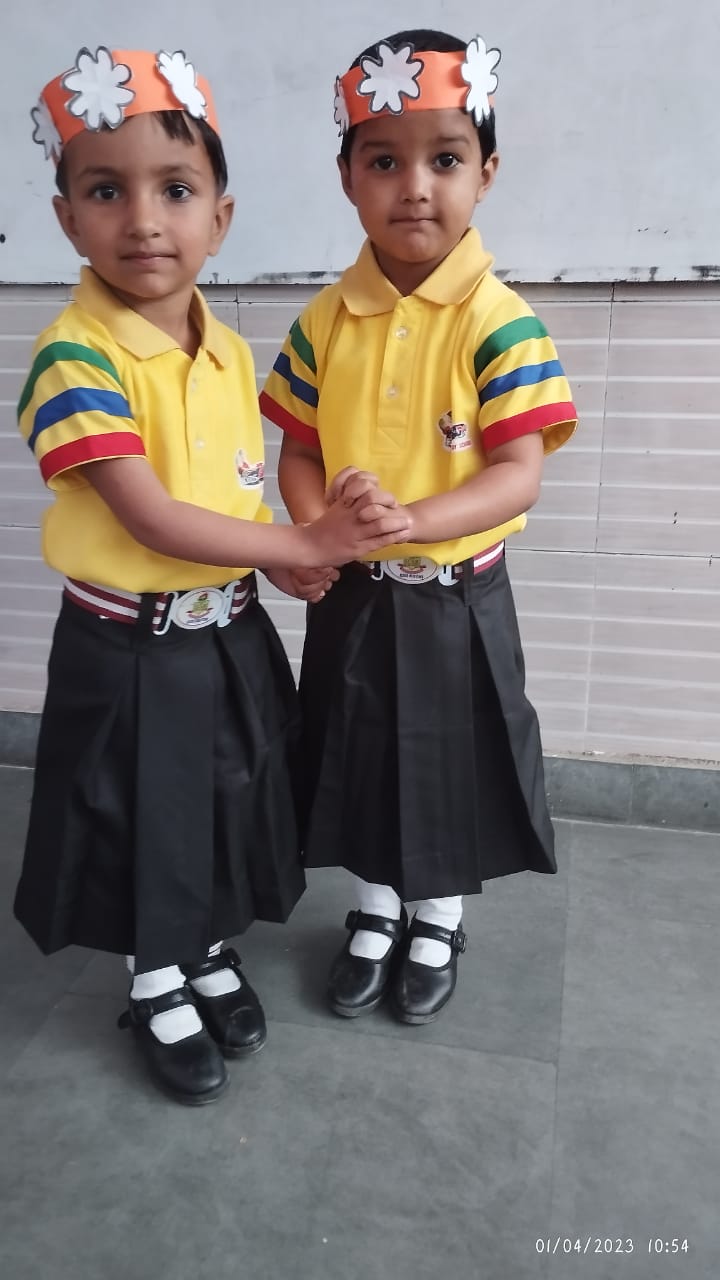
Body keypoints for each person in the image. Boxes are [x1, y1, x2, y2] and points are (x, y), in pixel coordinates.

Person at [15, 45, 410, 1104]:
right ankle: (156, 978)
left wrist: (281, 565)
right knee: (142, 809)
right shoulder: (72, 358)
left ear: (220, 218)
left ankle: (204, 947)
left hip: (227, 629)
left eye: (177, 190)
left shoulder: (231, 353)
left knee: (228, 794)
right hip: (127, 646)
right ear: (67, 219)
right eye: (107, 190)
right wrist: (308, 545)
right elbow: (148, 514)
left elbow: (232, 502)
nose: (145, 220)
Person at [259, 29, 578, 1025]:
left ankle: (436, 918)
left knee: (447, 762)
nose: (415, 187)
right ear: (347, 176)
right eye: (384, 161)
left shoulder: (501, 321)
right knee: (355, 752)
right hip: (355, 594)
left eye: (444, 158)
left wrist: (414, 519)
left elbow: (517, 475)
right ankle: (372, 908)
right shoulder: (323, 321)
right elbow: (299, 449)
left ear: (486, 172)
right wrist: (314, 532)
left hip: (454, 599)